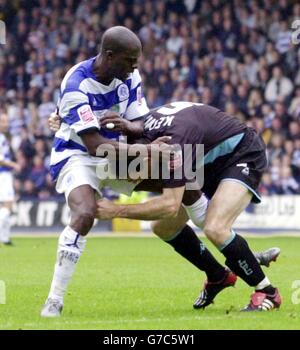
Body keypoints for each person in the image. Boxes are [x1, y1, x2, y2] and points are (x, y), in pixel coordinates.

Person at [47, 101, 280, 315]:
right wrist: (60, 119)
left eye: (137, 172)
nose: (138, 180)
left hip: (240, 153)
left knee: (215, 227)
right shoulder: (141, 132)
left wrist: (115, 210)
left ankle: (268, 292)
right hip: (204, 155)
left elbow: (169, 205)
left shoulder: (172, 149)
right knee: (163, 228)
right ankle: (219, 275)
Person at [41, 26, 155, 317]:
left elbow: (141, 124)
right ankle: (54, 300)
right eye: (130, 60)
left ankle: (229, 257)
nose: (135, 66)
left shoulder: (130, 76)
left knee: (184, 179)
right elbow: (93, 146)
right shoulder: (76, 84)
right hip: (76, 154)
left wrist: (135, 137)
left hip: (117, 152)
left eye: (136, 60)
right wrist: (143, 152)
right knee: (85, 214)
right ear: (109, 55)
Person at [0, 113, 20, 245]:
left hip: (5, 175)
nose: (6, 124)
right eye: (3, 121)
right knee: (8, 205)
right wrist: (14, 165)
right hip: (3, 175)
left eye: (7, 121)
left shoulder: (4, 137)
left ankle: (5, 238)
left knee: (6, 205)